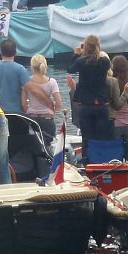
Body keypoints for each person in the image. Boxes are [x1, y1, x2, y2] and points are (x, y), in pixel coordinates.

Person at [66, 35, 114, 164]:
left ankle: (87, 161)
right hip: (101, 104)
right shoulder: (104, 62)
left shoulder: (81, 62)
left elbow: (70, 69)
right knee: (101, 136)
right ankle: (101, 161)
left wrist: (77, 54)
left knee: (86, 137)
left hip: (86, 104)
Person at [21, 54, 62, 144]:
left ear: (32, 67)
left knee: (33, 146)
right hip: (47, 118)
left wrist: (27, 112)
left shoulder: (26, 82)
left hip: (32, 119)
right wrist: (52, 112)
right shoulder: (52, 82)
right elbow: (59, 103)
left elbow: (23, 104)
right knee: (47, 146)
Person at [0, 38, 30, 114]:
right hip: (16, 113)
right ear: (15, 52)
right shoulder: (21, 69)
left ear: (1, 52)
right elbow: (28, 90)